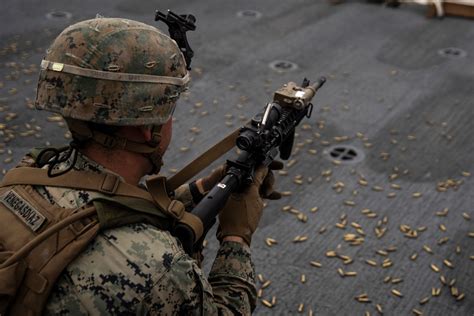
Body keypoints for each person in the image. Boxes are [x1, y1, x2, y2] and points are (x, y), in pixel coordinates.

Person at [0, 17, 281, 315]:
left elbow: (103, 211)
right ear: (149, 127)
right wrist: (237, 236)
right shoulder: (159, 269)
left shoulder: (30, 173)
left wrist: (199, 191)